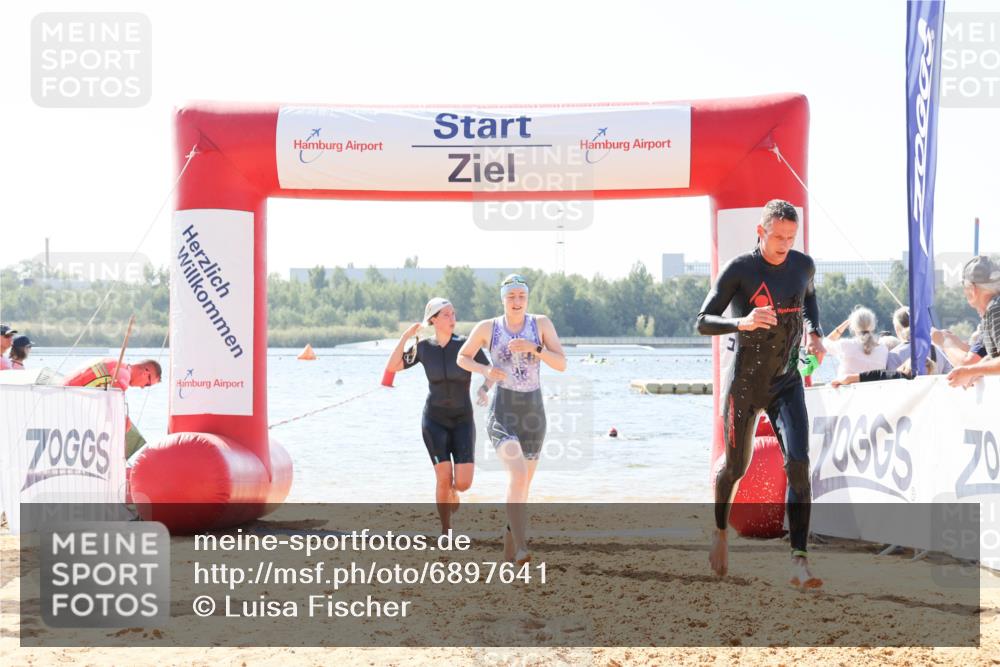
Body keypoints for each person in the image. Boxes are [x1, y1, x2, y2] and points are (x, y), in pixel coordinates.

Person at [695, 199, 825, 589]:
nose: (784, 244)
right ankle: (719, 532)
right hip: (746, 384)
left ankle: (799, 561)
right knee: (735, 467)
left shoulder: (803, 265)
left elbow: (810, 300)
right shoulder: (741, 269)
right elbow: (702, 322)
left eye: (790, 237)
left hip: (786, 382)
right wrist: (742, 321)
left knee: (799, 463)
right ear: (761, 232)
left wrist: (815, 333)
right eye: (777, 236)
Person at [458, 274, 567, 565]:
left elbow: (562, 364)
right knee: (517, 475)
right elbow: (462, 357)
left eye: (521, 296)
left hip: (534, 412)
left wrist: (535, 349)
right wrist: (485, 371)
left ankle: (509, 551)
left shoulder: (540, 324)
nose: (517, 301)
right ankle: (521, 547)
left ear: (527, 298)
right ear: (502, 299)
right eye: (511, 296)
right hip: (503, 410)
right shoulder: (488, 328)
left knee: (522, 486)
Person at [384, 297, 491, 534]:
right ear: (433, 319)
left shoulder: (466, 345)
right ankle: (446, 530)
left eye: (454, 314)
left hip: (462, 420)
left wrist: (485, 387)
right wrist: (405, 336)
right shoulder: (423, 348)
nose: (453, 318)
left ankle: (453, 491)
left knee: (462, 483)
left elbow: (489, 371)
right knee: (443, 477)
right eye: (447, 315)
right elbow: (392, 367)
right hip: (434, 421)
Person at [948, 256, 1000, 388]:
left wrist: (971, 371)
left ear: (972, 289)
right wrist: (980, 368)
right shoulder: (992, 310)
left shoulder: (995, 309)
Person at [885, 307, 952, 375]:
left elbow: (893, 382)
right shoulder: (940, 350)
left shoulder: (893, 355)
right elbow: (948, 378)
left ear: (897, 329)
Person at [823, 306, 888, 374]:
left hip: (849, 384)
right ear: (873, 325)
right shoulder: (883, 349)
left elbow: (825, 343)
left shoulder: (845, 345)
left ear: (853, 326)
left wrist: (846, 323)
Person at [831, 346, 938, 387]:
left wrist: (839, 381)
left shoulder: (892, 376)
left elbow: (848, 378)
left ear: (905, 366)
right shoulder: (924, 388)